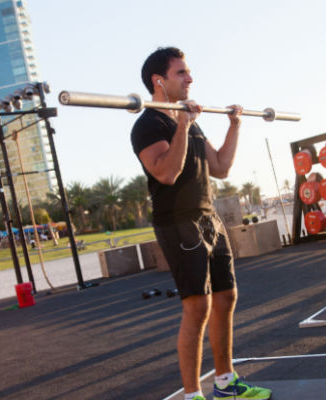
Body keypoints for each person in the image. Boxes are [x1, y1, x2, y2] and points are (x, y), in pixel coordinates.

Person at [130, 47, 270, 400]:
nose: (190, 78)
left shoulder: (190, 121)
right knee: (198, 307)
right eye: (181, 73)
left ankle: (226, 382)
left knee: (226, 297)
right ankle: (192, 395)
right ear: (158, 81)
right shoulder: (148, 125)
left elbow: (221, 167)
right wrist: (182, 125)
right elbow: (166, 172)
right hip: (177, 223)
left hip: (209, 218)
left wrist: (234, 126)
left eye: (188, 72)